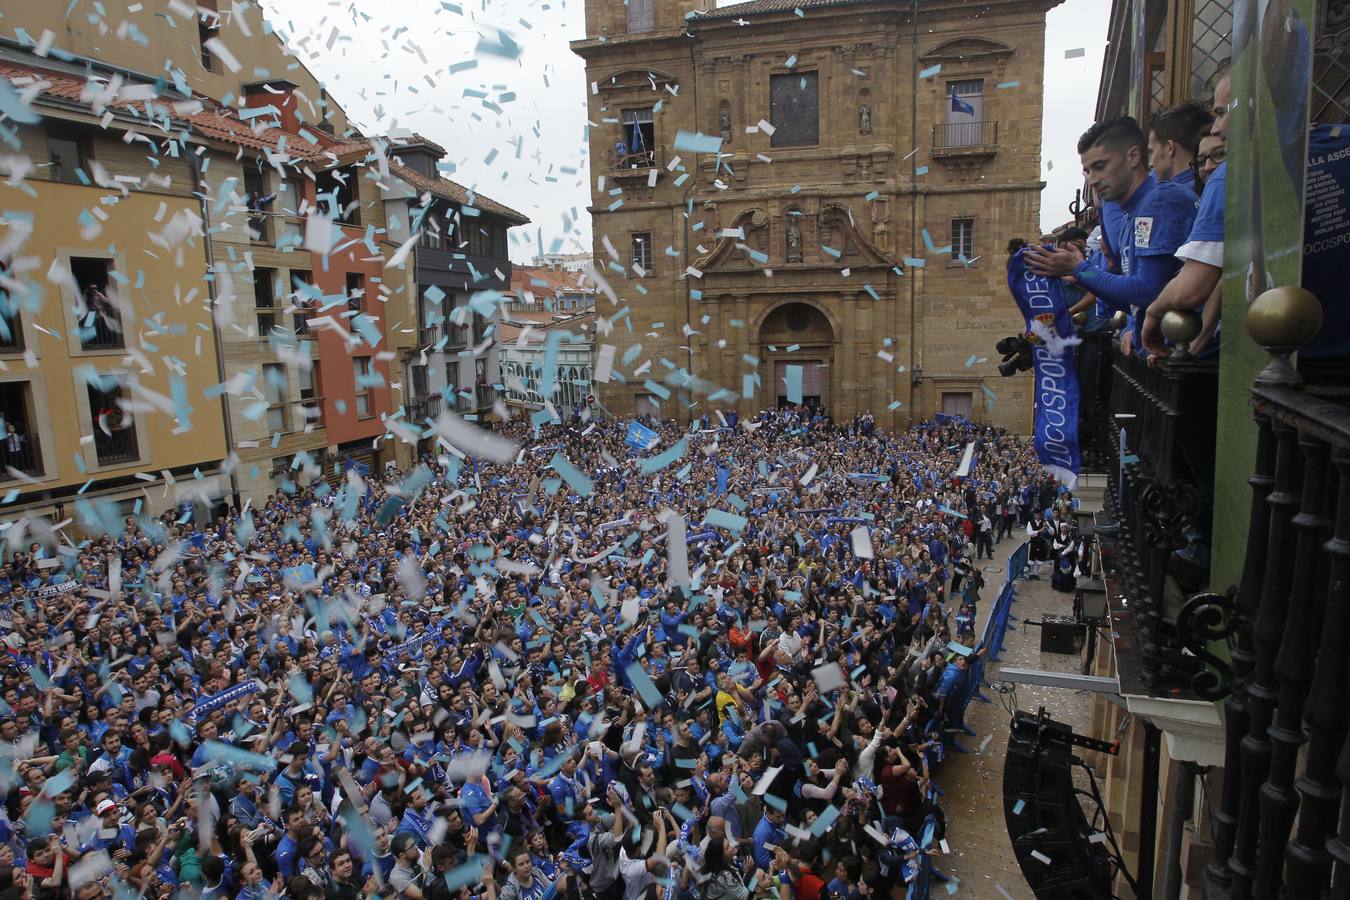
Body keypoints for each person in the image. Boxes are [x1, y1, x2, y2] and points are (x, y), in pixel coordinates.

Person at [1025, 116, 1199, 355]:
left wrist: (1077, 269)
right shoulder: (1132, 214)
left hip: (1176, 357)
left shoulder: (1159, 201)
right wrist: (1078, 269)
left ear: (1133, 157)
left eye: (1100, 166)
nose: (1093, 180)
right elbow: (1128, 300)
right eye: (1087, 171)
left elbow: (1147, 290)